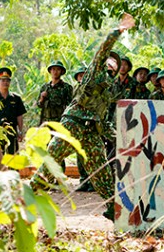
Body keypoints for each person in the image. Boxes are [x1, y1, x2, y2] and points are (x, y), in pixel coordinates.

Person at [30, 13, 135, 221]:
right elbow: (104, 48)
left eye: (116, 63)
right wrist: (118, 30)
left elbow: (104, 120)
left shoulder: (110, 89)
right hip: (73, 124)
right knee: (51, 161)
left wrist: (118, 137)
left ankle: (116, 212)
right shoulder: (94, 71)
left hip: (91, 131)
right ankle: (25, 201)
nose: (112, 64)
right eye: (110, 61)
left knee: (101, 170)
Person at [0, 68, 27, 170]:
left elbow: (19, 116)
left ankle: (13, 178)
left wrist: (20, 131)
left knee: (13, 155)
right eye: (3, 80)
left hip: (12, 131)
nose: (6, 83)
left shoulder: (16, 98)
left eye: (8, 80)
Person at [72, 66, 94, 192]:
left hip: (90, 122)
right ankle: (83, 180)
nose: (82, 78)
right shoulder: (75, 88)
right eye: (80, 76)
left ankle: (92, 181)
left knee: (90, 154)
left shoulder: (92, 89)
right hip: (78, 122)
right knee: (79, 153)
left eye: (84, 75)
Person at [37, 61, 73, 125]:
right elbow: (39, 104)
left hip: (59, 122)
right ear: (50, 71)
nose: (55, 72)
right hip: (46, 122)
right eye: (53, 69)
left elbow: (70, 106)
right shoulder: (45, 87)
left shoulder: (66, 87)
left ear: (61, 71)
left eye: (58, 69)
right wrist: (42, 98)